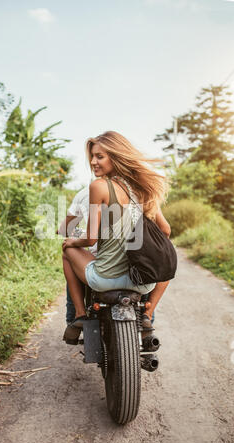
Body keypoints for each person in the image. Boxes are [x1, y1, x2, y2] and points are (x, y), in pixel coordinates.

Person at [62, 131, 171, 343]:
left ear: (116, 156)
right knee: (166, 256)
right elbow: (165, 230)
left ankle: (78, 315)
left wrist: (72, 241)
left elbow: (91, 239)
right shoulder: (143, 187)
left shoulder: (99, 186)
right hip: (143, 284)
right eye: (92, 157)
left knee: (67, 251)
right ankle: (147, 315)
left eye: (99, 156)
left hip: (105, 280)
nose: (93, 162)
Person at [58, 187, 97, 324]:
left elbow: (66, 229)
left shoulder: (86, 193)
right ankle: (147, 317)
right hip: (133, 263)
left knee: (68, 253)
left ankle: (75, 316)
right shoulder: (136, 190)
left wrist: (67, 234)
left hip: (101, 263)